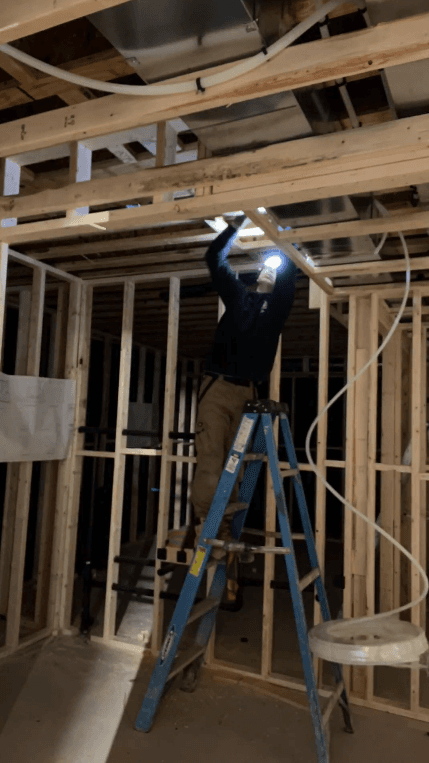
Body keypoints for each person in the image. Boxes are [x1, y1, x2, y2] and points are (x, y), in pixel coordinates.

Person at [191, 215, 297, 608]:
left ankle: (225, 534)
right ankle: (208, 527)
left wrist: (283, 244)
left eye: (272, 275)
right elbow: (214, 257)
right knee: (212, 460)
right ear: (253, 280)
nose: (268, 276)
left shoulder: (278, 308)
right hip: (218, 388)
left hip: (250, 396)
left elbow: (290, 278)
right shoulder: (237, 297)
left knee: (233, 466)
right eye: (264, 272)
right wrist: (236, 226)